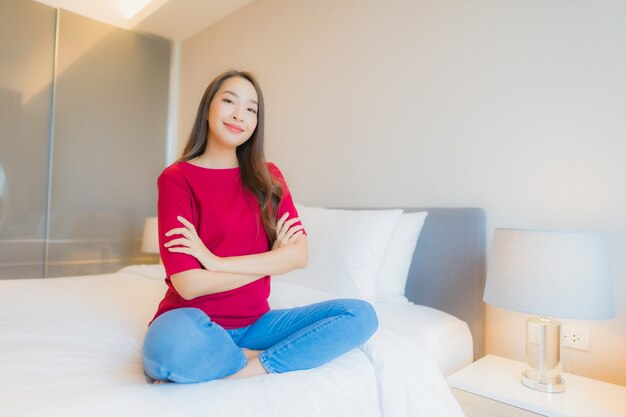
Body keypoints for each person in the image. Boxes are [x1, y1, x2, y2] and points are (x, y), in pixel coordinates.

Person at [141, 70, 378, 384]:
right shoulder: (177, 179)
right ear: (208, 108)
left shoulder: (270, 178)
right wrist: (271, 261)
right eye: (229, 101)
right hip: (193, 320)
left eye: (251, 109)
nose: (240, 114)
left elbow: (298, 256)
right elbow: (188, 285)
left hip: (257, 326)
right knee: (168, 343)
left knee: (360, 315)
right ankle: (231, 356)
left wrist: (215, 263)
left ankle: (247, 366)